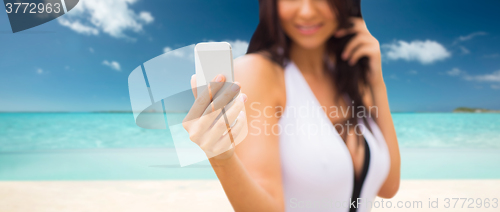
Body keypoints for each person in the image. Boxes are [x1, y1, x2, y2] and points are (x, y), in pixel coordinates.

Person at [183, 0, 400, 211]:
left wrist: (377, 83)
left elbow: (387, 186)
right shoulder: (257, 73)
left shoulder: (349, 78)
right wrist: (222, 157)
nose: (306, 11)